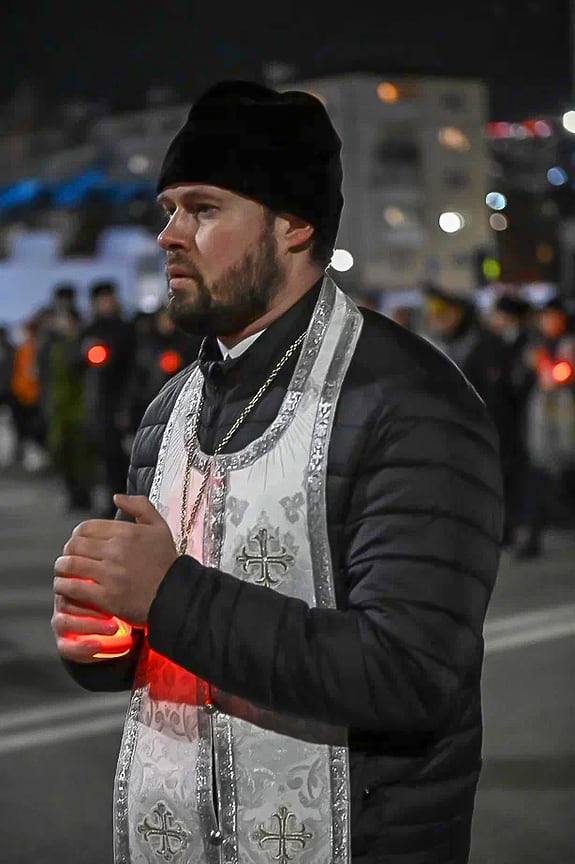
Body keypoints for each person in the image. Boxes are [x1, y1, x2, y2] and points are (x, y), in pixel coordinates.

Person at [52, 81, 503, 864]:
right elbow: (162, 632)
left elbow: (411, 675)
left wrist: (166, 592)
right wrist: (105, 637)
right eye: (167, 209)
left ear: (293, 224)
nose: (168, 234)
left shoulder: (409, 400)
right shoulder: (169, 409)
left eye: (202, 208)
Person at [520, 297, 575, 556]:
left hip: (566, 415)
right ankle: (533, 537)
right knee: (539, 476)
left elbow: (561, 375)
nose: (549, 322)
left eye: (553, 317)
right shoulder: (537, 346)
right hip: (543, 420)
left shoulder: (568, 344)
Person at [80, 281, 135, 517]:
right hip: (99, 404)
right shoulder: (90, 330)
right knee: (105, 454)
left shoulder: (125, 329)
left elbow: (133, 365)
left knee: (123, 456)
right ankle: (112, 501)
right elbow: (77, 361)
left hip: (123, 401)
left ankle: (123, 502)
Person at [488, 295, 536, 548]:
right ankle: (510, 530)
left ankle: (524, 531)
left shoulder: (525, 343)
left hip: (523, 419)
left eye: (497, 314)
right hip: (506, 419)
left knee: (522, 477)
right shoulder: (499, 343)